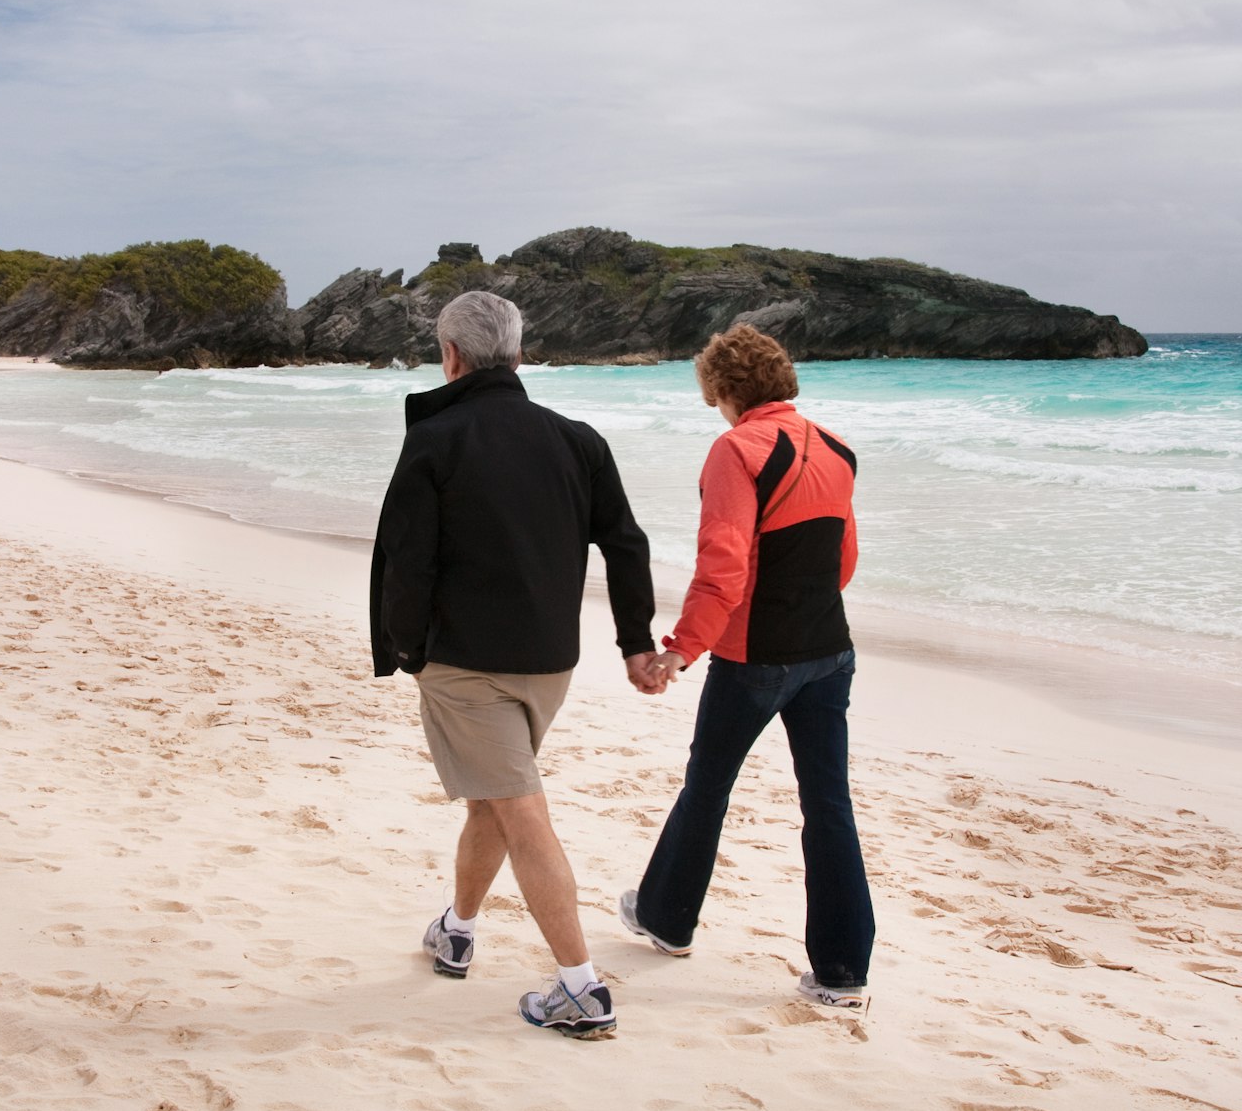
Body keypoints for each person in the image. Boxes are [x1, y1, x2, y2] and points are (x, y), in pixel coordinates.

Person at [372, 290, 659, 1040]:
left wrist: (406, 651)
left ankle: (581, 988)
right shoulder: (577, 439)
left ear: (452, 356)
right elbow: (626, 543)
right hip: (550, 664)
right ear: (519, 355)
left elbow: (408, 559)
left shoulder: (437, 438)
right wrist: (635, 642)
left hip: (466, 665)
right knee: (494, 802)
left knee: (520, 810)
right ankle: (458, 929)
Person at [619, 324, 874, 1009]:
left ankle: (667, 921)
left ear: (724, 389)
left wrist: (680, 648)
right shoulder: (837, 448)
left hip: (755, 657)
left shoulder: (738, 449)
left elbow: (723, 564)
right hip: (830, 652)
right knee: (829, 807)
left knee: (707, 787)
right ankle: (844, 973)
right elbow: (843, 560)